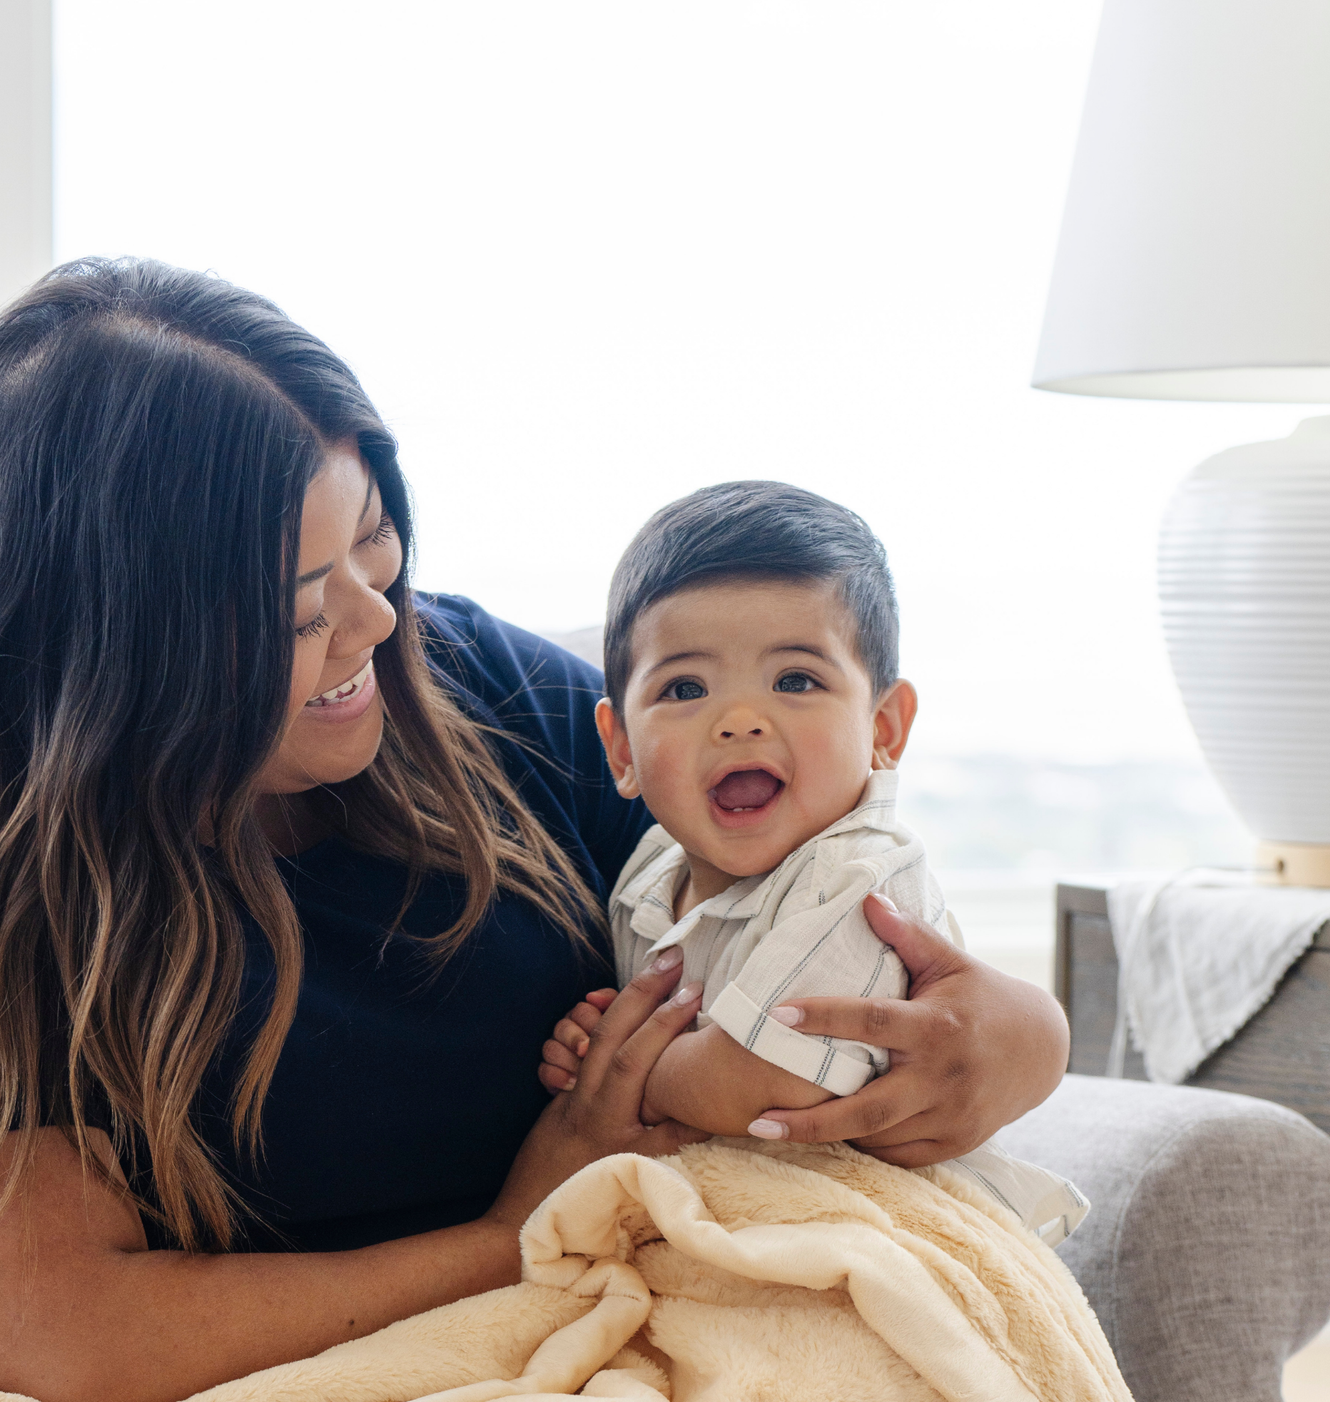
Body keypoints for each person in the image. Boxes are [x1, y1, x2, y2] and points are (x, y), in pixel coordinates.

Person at [0, 258, 1070, 1402]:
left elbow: (804, 901)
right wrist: (524, 1221)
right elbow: (68, 1327)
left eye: (375, 538)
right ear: (117, 650)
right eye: (301, 606)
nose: (375, 618)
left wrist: (1014, 1036)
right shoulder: (39, 891)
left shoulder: (487, 693)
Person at [542, 481, 1088, 1246]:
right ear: (622, 750)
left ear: (883, 728)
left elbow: (769, 1079)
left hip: (876, 1223)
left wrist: (617, 1061)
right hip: (730, 1213)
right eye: (685, 687)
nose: (739, 720)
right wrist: (597, 1036)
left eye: (795, 680)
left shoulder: (855, 876)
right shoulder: (648, 869)